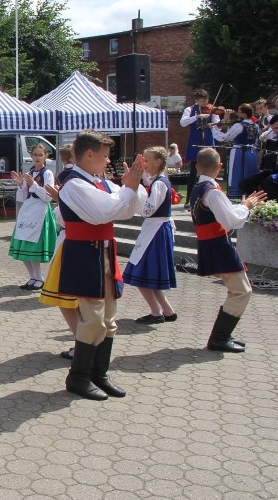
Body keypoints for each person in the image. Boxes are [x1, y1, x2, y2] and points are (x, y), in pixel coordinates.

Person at [58, 131, 147, 401]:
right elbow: (105, 213)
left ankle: (99, 373)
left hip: (103, 251)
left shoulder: (99, 182)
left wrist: (133, 186)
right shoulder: (75, 184)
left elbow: (128, 210)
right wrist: (129, 189)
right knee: (93, 317)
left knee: (108, 317)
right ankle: (78, 376)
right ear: (89, 155)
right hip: (85, 253)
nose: (108, 162)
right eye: (105, 156)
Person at [189, 147, 265, 353]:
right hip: (218, 244)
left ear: (197, 166)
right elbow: (231, 219)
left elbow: (225, 215)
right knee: (242, 291)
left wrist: (241, 207)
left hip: (212, 242)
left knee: (239, 290)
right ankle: (219, 338)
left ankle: (222, 336)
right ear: (219, 167)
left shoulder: (199, 187)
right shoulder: (211, 191)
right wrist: (246, 206)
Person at [122, 147, 178, 324]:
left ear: (158, 162)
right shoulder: (157, 180)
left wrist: (135, 195)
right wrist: (134, 179)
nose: (144, 163)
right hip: (154, 229)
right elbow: (145, 182)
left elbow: (148, 210)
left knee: (141, 272)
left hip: (157, 230)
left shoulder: (160, 183)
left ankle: (157, 312)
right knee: (145, 273)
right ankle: (166, 310)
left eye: (147, 160)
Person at [39, 146, 81, 360]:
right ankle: (85, 343)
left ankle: (83, 343)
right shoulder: (89, 180)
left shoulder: (73, 180)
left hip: (74, 242)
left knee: (66, 298)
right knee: (80, 300)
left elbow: (63, 216)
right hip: (82, 243)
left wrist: (59, 199)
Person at [8, 143, 56, 291]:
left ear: (45, 156)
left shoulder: (47, 173)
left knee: (32, 245)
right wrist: (20, 185)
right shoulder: (29, 172)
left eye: (40, 155)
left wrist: (33, 184)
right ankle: (33, 277)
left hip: (40, 211)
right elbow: (23, 197)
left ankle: (39, 278)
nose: (37, 157)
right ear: (31, 156)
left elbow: (48, 197)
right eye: (35, 154)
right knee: (22, 243)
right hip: (28, 210)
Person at [180, 89, 219, 207]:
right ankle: (188, 200)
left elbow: (217, 122)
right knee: (193, 171)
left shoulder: (212, 109)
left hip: (208, 142)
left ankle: (211, 197)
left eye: (206, 100)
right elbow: (182, 123)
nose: (205, 103)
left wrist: (214, 123)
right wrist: (197, 117)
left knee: (211, 168)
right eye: (202, 101)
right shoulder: (190, 109)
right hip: (195, 142)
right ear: (197, 100)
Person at [212, 103, 260, 198]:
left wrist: (215, 129)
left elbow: (225, 138)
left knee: (238, 172)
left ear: (245, 114)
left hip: (239, 152)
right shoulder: (256, 126)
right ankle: (250, 193)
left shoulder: (239, 126)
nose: (237, 114)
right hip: (252, 153)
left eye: (239, 112)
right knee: (250, 173)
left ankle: (237, 194)